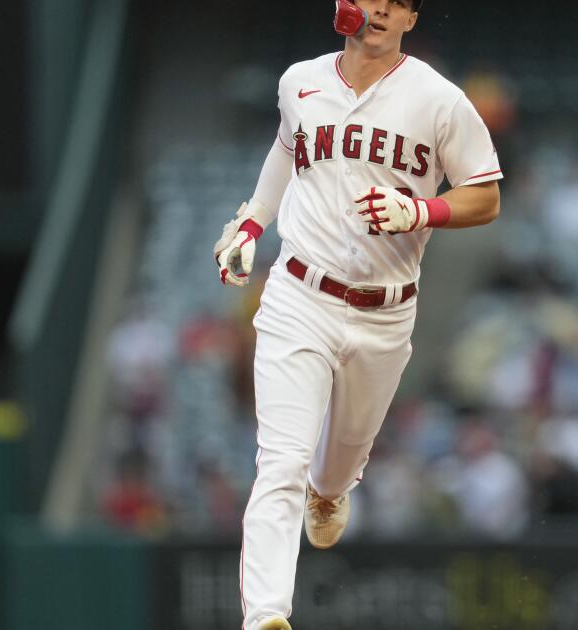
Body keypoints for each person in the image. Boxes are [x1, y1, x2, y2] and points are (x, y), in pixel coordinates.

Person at [210, 2, 503, 628]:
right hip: (298, 295)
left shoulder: (438, 99)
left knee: (340, 456)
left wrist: (422, 212)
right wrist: (251, 223)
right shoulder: (300, 81)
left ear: (410, 20)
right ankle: (265, 616)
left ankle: (332, 489)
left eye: (395, 2)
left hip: (383, 313)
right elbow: (285, 154)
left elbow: (486, 193)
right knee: (280, 461)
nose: (377, 9)